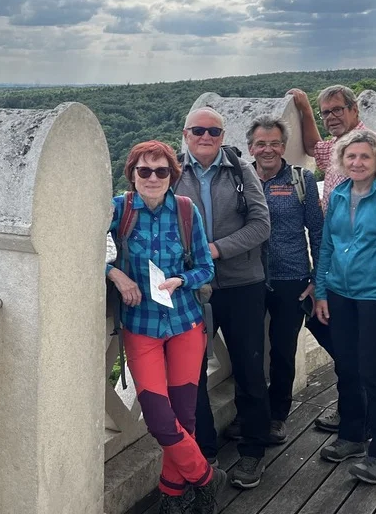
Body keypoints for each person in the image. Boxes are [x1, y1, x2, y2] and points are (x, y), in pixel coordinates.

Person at [107, 140, 226, 514]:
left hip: (185, 323)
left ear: (172, 175)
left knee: (185, 416)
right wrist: (115, 274)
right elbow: (84, 250)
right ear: (132, 174)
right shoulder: (119, 209)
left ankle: (172, 494)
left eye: (161, 171)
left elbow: (206, 267)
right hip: (140, 326)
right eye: (144, 170)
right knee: (160, 420)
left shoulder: (186, 211)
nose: (153, 177)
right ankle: (207, 477)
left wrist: (181, 280)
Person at [287, 84, 376, 433]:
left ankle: (369, 427)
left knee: (369, 364)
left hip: (371, 284)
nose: (332, 117)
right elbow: (312, 146)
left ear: (354, 109)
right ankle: (354, 415)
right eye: (327, 112)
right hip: (337, 278)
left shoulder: (374, 148)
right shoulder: (336, 154)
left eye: (338, 109)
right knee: (343, 350)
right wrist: (305, 108)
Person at [173, 108, 274, 489]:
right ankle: (204, 453)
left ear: (222, 135)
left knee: (250, 369)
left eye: (213, 131)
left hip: (242, 284)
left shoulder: (240, 171)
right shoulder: (172, 172)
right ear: (186, 134)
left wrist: (214, 250)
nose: (206, 137)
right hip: (192, 289)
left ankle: (253, 451)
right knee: (191, 373)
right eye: (198, 130)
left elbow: (261, 225)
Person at [313, 129, 376, 485]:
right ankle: (352, 437)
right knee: (346, 367)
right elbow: (327, 245)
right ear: (342, 161)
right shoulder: (338, 195)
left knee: (374, 373)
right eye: (351, 156)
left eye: (365, 156)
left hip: (375, 296)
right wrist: (321, 291)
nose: (357, 162)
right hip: (339, 293)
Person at [246, 115, 324, 442]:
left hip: (291, 278)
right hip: (247, 278)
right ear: (250, 147)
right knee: (248, 351)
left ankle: (277, 416)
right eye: (261, 143)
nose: (268, 149)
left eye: (275, 143)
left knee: (281, 351)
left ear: (284, 146)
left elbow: (318, 232)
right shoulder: (240, 178)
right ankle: (250, 413)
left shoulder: (300, 180)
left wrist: (318, 279)